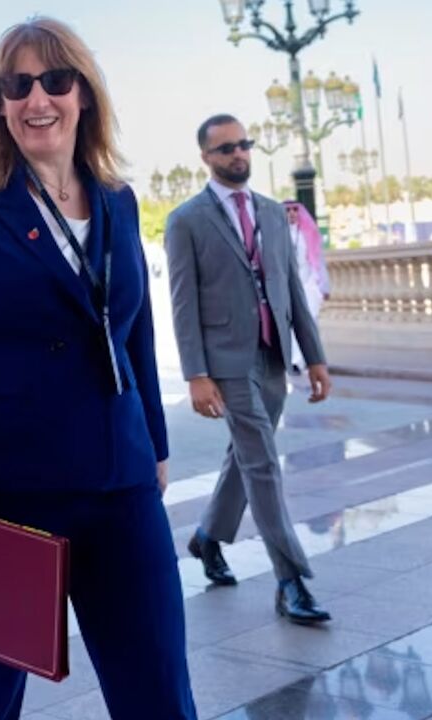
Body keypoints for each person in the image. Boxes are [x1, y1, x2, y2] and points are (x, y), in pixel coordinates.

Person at [0, 18, 196, 719]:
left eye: (55, 81)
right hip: (1, 497)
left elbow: (135, 332)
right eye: (17, 84)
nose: (38, 99)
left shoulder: (118, 200)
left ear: (84, 94)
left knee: (158, 691)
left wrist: (153, 443)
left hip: (119, 484)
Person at [165, 114, 333, 626]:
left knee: (244, 456)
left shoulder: (270, 212)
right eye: (225, 149)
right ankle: (290, 580)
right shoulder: (187, 220)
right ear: (206, 159)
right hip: (226, 361)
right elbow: (182, 302)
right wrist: (196, 373)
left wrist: (316, 355)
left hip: (273, 354)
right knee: (262, 461)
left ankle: (206, 537)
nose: (238, 154)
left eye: (243, 145)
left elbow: (291, 294)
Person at [284, 200, 331, 372]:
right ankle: (295, 361)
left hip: (309, 284)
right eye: (287, 210)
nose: (292, 213)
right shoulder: (278, 234)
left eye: (295, 209)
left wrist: (324, 286)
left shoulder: (309, 233)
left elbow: (318, 261)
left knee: (309, 322)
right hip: (288, 285)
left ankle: (309, 359)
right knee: (290, 324)